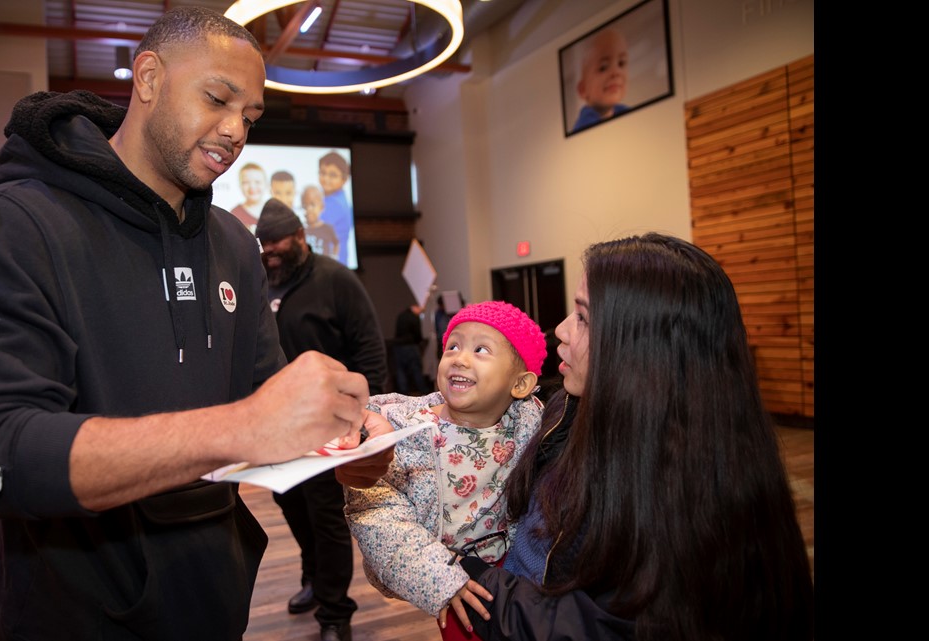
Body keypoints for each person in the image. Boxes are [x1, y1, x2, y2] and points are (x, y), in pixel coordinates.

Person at [0, 8, 392, 640]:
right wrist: (242, 428)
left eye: (249, 118)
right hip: (70, 610)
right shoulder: (18, 224)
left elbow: (264, 399)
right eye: (217, 99)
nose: (234, 133)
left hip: (213, 599)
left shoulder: (232, 242)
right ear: (147, 77)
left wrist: (342, 444)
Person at [458, 233, 814, 641]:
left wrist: (471, 578)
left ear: (639, 350)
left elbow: (588, 628)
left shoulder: (682, 492)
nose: (561, 329)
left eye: (583, 318)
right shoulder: (571, 408)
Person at [345, 300, 548, 641]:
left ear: (520, 385)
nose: (459, 358)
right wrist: (441, 579)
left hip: (513, 567)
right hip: (449, 577)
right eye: (452, 345)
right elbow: (379, 522)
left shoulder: (529, 422)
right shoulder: (402, 434)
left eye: (481, 349)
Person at [255, 198, 388, 641]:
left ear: (299, 238)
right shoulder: (262, 280)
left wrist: (368, 416)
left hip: (332, 423)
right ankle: (312, 577)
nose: (268, 250)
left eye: (275, 242)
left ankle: (335, 613)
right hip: (278, 424)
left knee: (326, 516)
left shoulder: (337, 280)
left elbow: (369, 348)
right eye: (263, 243)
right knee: (289, 504)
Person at [571, 27, 630, 133]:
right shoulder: (586, 123)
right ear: (583, 89)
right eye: (603, 68)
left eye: (621, 63)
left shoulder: (621, 110)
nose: (615, 72)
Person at [317, 150, 354, 266]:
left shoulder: (335, 204)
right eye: (323, 173)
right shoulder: (335, 197)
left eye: (332, 175)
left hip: (333, 264)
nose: (326, 179)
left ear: (344, 179)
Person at [391, 303, 429, 395]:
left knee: (401, 370)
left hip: (398, 346)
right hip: (411, 346)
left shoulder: (401, 316)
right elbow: (418, 334)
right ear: (415, 307)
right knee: (416, 369)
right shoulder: (414, 317)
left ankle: (403, 393)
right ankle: (423, 391)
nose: (421, 312)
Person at [301, 184, 339, 260]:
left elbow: (336, 243)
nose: (309, 209)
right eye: (305, 206)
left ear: (322, 207)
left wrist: (334, 257)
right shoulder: (301, 229)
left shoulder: (328, 228)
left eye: (312, 205)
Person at [230, 161, 268, 229]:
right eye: (246, 182)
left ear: (266, 184)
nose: (252, 187)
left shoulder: (274, 211)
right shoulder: (235, 213)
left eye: (257, 182)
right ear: (240, 186)